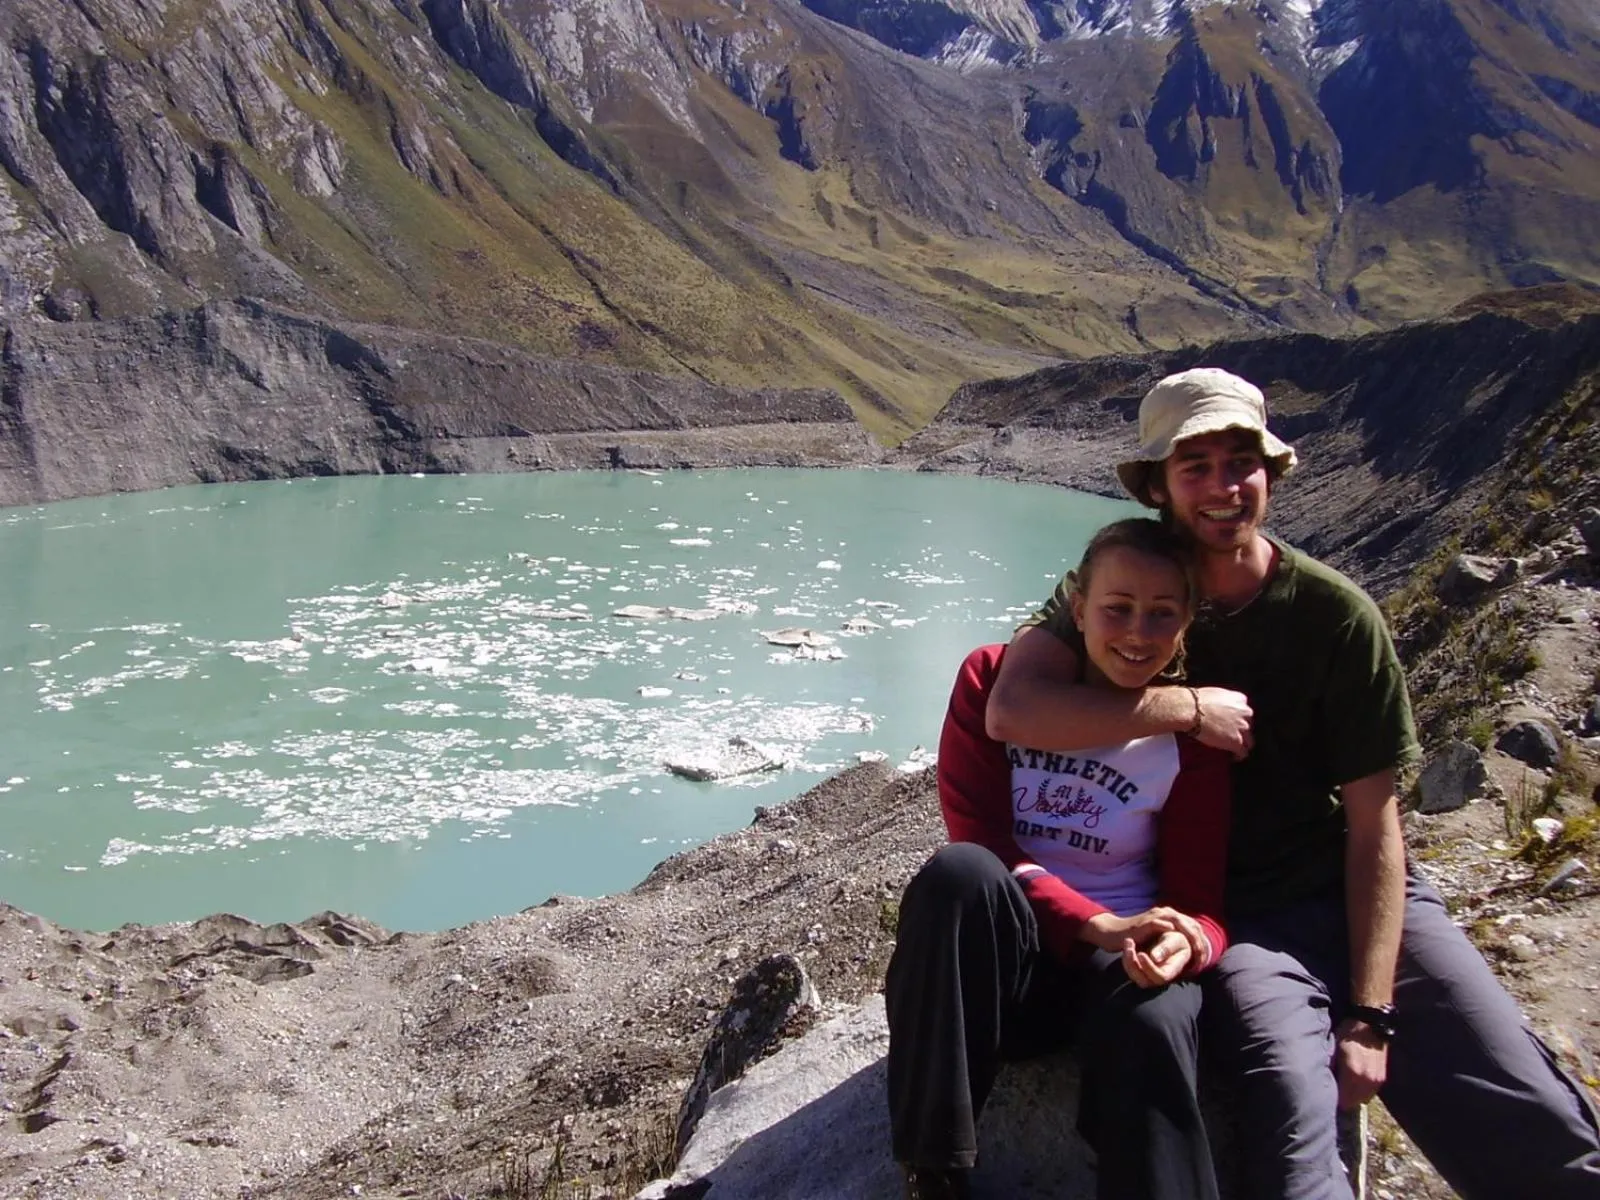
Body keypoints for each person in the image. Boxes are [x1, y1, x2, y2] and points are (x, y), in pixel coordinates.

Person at [988, 367, 1600, 1199]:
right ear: (1159, 486)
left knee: (1527, 1113)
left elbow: (1375, 824)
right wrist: (1186, 706)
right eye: (1195, 467)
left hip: (1353, 890)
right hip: (1237, 917)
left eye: (1241, 463)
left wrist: (1371, 1013)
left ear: (1270, 473)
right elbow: (1014, 709)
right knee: (1292, 1118)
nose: (1222, 487)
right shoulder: (1123, 589)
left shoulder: (1337, 616)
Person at [886, 517, 1234, 1200]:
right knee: (957, 875)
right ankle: (934, 1171)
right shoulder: (992, 680)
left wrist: (1189, 942)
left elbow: (1202, 902)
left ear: (1188, 621)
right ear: (1077, 608)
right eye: (1117, 608)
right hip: (1009, 970)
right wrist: (1093, 923)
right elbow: (982, 837)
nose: (1137, 633)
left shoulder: (1193, 736)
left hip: (1120, 963)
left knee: (1155, 1018)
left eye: (1162, 613)